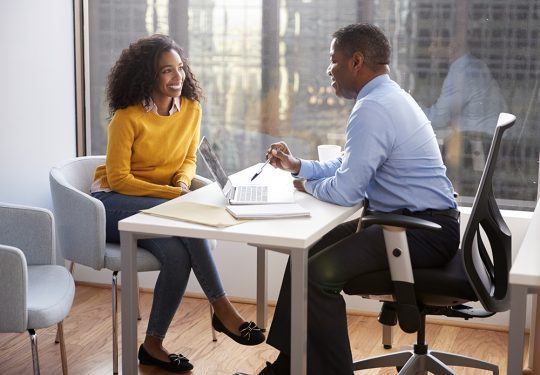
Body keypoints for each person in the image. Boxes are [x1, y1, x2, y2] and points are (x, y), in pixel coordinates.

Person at [237, 24, 460, 375]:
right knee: (304, 256)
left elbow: (346, 191)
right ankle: (288, 365)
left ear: (356, 62)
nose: (329, 70)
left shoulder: (372, 108)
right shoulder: (389, 97)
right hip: (411, 223)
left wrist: (302, 186)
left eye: (333, 61)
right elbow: (350, 163)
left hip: (418, 232)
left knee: (315, 276)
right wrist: (300, 167)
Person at [90, 34, 264, 373]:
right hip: (112, 203)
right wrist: (176, 197)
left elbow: (187, 159)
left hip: (159, 204)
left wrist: (183, 183)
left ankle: (152, 345)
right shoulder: (127, 118)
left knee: (177, 255)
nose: (177, 77)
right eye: (167, 71)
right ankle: (223, 309)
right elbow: (121, 178)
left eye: (180, 68)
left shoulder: (192, 109)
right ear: (148, 76)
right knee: (186, 219)